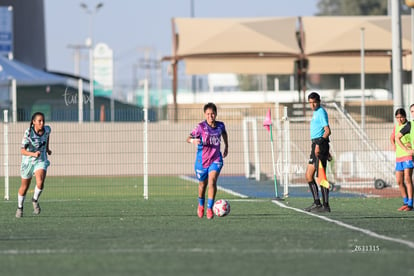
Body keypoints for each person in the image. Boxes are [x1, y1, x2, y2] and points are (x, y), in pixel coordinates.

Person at [187, 102, 228, 219]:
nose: (211, 116)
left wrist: (226, 146)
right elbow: (188, 138)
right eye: (208, 114)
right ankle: (201, 206)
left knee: (212, 181)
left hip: (216, 158)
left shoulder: (221, 126)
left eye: (213, 114)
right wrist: (193, 141)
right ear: (205, 114)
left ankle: (210, 208)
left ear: (216, 114)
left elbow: (224, 133)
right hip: (202, 161)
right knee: (202, 185)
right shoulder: (200, 127)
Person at [16, 112, 52, 218]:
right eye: (39, 121)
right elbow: (22, 151)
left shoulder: (47, 129)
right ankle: (20, 207)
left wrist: (47, 149)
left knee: (40, 182)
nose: (42, 123)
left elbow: (47, 136)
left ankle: (35, 200)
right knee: (24, 187)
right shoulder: (28, 133)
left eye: (43, 121)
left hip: (40, 160)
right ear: (34, 122)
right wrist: (33, 154)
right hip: (27, 162)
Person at [304, 92, 331, 213]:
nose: (312, 104)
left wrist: (320, 145)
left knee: (321, 176)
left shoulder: (321, 112)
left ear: (319, 101)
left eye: (314, 102)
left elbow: (327, 131)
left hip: (319, 145)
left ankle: (325, 205)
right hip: (316, 144)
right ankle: (317, 203)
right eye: (310, 102)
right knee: (309, 175)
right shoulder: (316, 113)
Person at [394, 106, 414, 211]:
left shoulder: (409, 125)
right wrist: (395, 147)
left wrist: (408, 148)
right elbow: (394, 138)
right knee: (399, 181)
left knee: (407, 178)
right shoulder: (399, 126)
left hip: (408, 156)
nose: (399, 119)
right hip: (399, 157)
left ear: (405, 117)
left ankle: (410, 204)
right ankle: (405, 202)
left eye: (401, 117)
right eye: (397, 117)